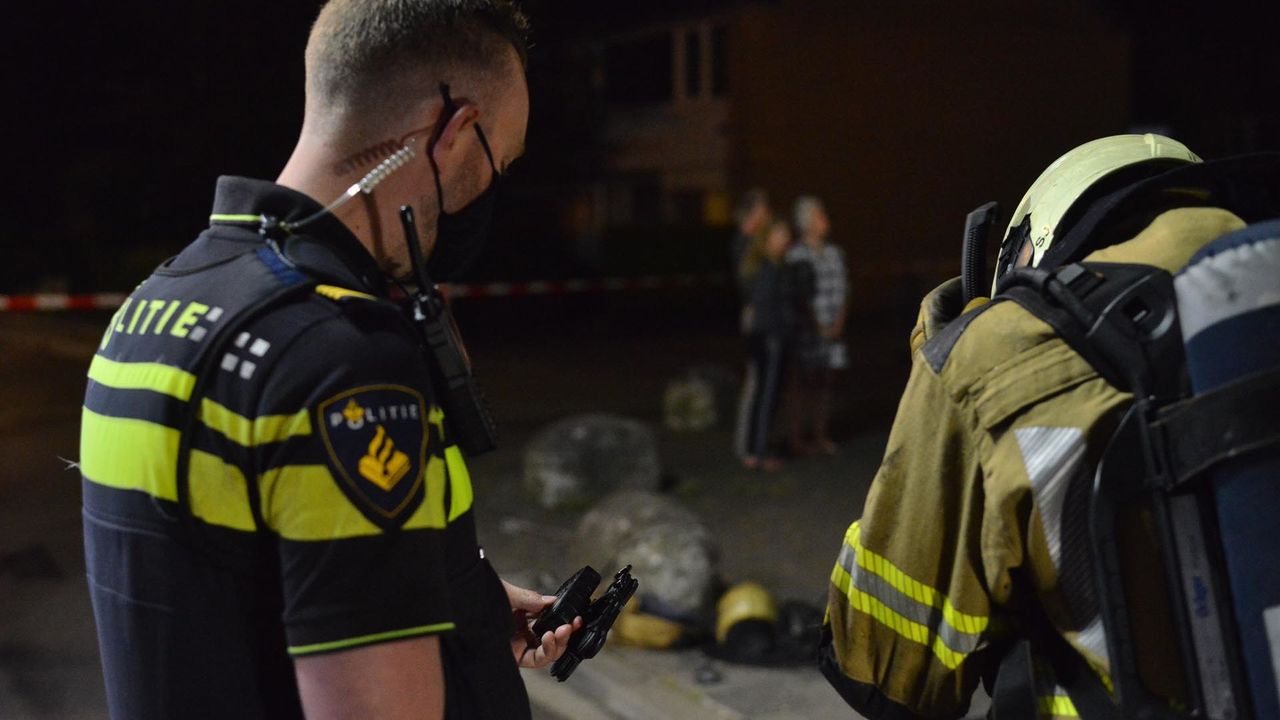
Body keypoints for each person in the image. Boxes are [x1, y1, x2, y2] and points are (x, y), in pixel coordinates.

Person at [78, 2, 580, 718]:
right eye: (500, 161)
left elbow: (228, 579)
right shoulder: (341, 359)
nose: (492, 191)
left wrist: (466, 609)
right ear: (455, 132)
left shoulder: (155, 306)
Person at [818, 134, 1259, 719]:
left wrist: (947, 358)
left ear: (1037, 240)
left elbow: (886, 671)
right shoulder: (1252, 329)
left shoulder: (1000, 355)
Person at [737, 221, 806, 471]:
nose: (786, 237)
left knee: (764, 394)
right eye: (780, 233)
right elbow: (766, 307)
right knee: (767, 395)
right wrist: (775, 335)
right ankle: (759, 452)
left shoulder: (774, 266)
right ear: (768, 239)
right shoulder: (768, 268)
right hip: (770, 339)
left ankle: (753, 450)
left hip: (768, 337)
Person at [784, 195, 849, 456]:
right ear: (807, 222)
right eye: (820, 216)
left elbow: (845, 289)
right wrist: (817, 325)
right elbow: (800, 295)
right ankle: (797, 438)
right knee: (802, 384)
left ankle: (821, 435)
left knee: (825, 384)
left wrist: (839, 322)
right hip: (808, 333)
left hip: (833, 330)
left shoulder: (835, 253)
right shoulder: (796, 255)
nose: (825, 221)